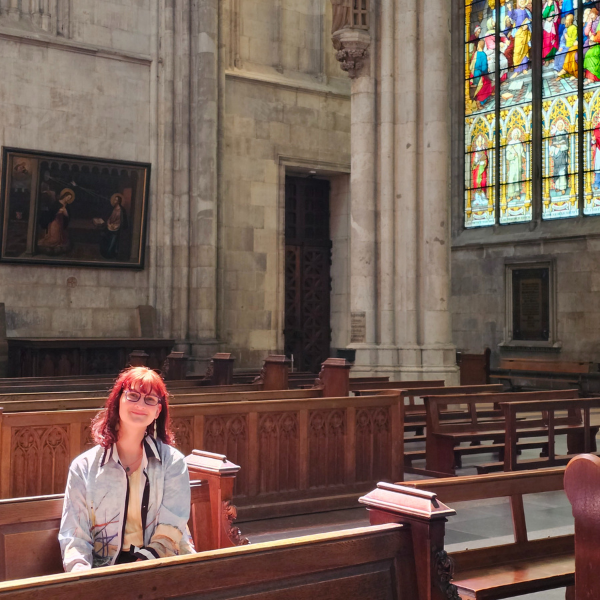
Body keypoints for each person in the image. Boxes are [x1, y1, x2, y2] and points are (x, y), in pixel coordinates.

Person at [59, 367, 194, 571]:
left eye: (150, 399)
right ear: (117, 401)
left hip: (162, 566)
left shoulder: (172, 462)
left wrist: (138, 574)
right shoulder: (84, 467)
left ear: (158, 411)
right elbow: (74, 536)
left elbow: (171, 529)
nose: (140, 405)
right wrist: (83, 581)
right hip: (105, 569)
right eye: (133, 396)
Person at [37, 188, 74, 255]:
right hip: (55, 223)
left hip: (62, 224)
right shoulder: (56, 203)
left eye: (70, 198)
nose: (68, 199)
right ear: (65, 196)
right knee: (54, 240)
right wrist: (59, 212)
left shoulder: (67, 206)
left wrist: (66, 213)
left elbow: (69, 216)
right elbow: (51, 213)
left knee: (61, 240)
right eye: (68, 197)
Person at [99, 193, 127, 259]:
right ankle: (104, 251)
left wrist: (115, 226)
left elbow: (121, 221)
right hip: (110, 226)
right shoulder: (113, 208)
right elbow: (109, 218)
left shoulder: (122, 210)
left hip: (116, 228)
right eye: (114, 200)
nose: (114, 201)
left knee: (113, 239)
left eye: (116, 200)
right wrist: (108, 223)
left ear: (119, 201)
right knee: (104, 236)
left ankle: (109, 253)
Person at [506, 128, 525, 202]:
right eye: (514, 135)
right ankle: (510, 195)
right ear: (512, 135)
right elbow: (508, 156)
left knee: (518, 178)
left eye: (517, 135)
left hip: (518, 164)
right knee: (511, 179)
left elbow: (522, 152)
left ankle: (517, 194)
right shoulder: (510, 145)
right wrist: (513, 155)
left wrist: (523, 157)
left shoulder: (519, 143)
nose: (516, 136)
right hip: (513, 165)